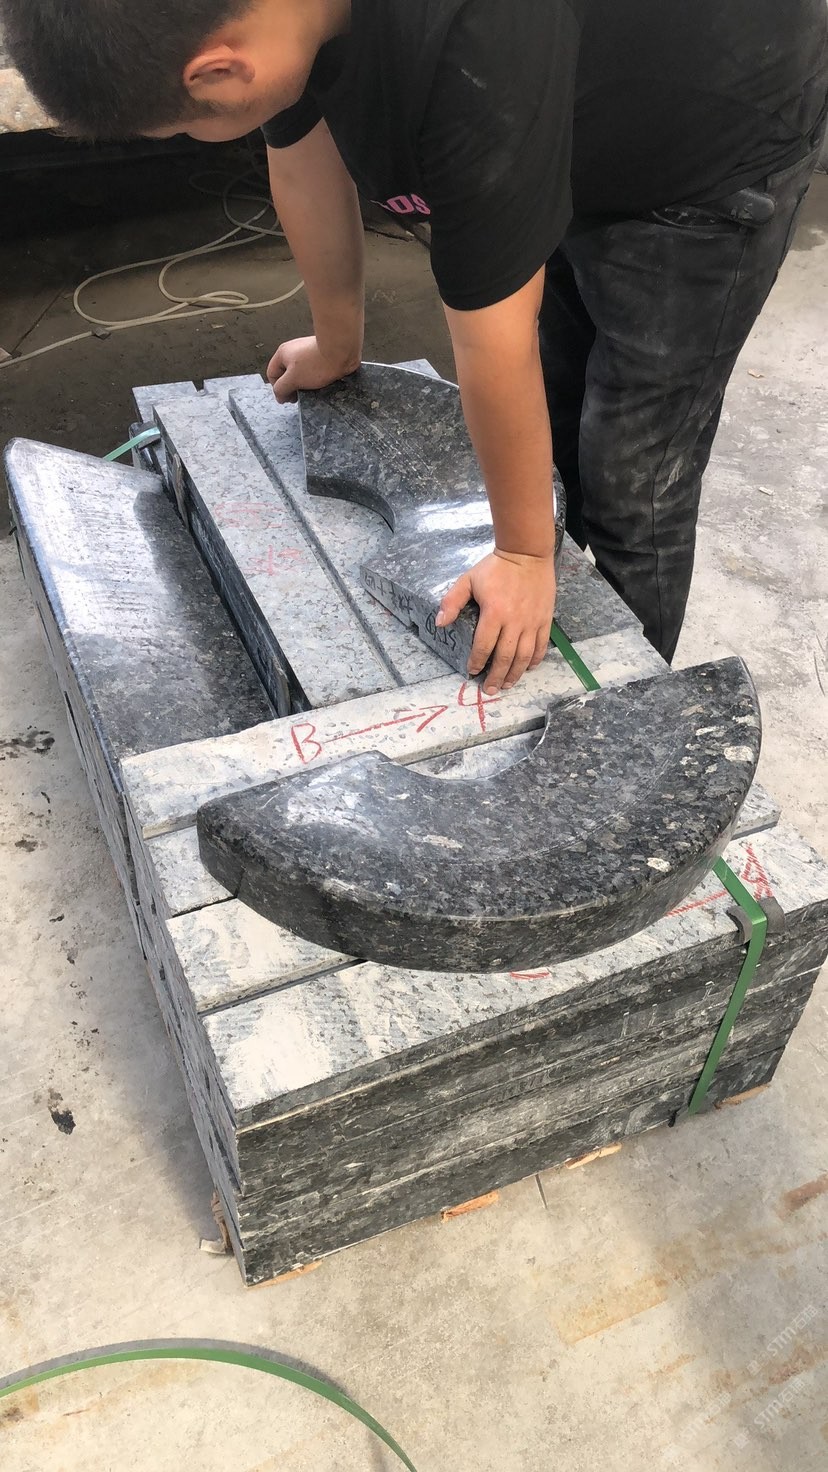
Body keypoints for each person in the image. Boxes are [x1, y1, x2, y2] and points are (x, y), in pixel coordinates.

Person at [4, 0, 827, 692]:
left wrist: (522, 553)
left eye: (187, 126)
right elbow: (301, 149)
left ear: (221, 69)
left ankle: (628, 715)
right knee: (558, 406)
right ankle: (560, 607)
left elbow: (492, 334)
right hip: (575, 113)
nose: (195, 137)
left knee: (633, 471)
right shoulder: (279, 17)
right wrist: (338, 342)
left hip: (707, 155)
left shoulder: (472, 51)